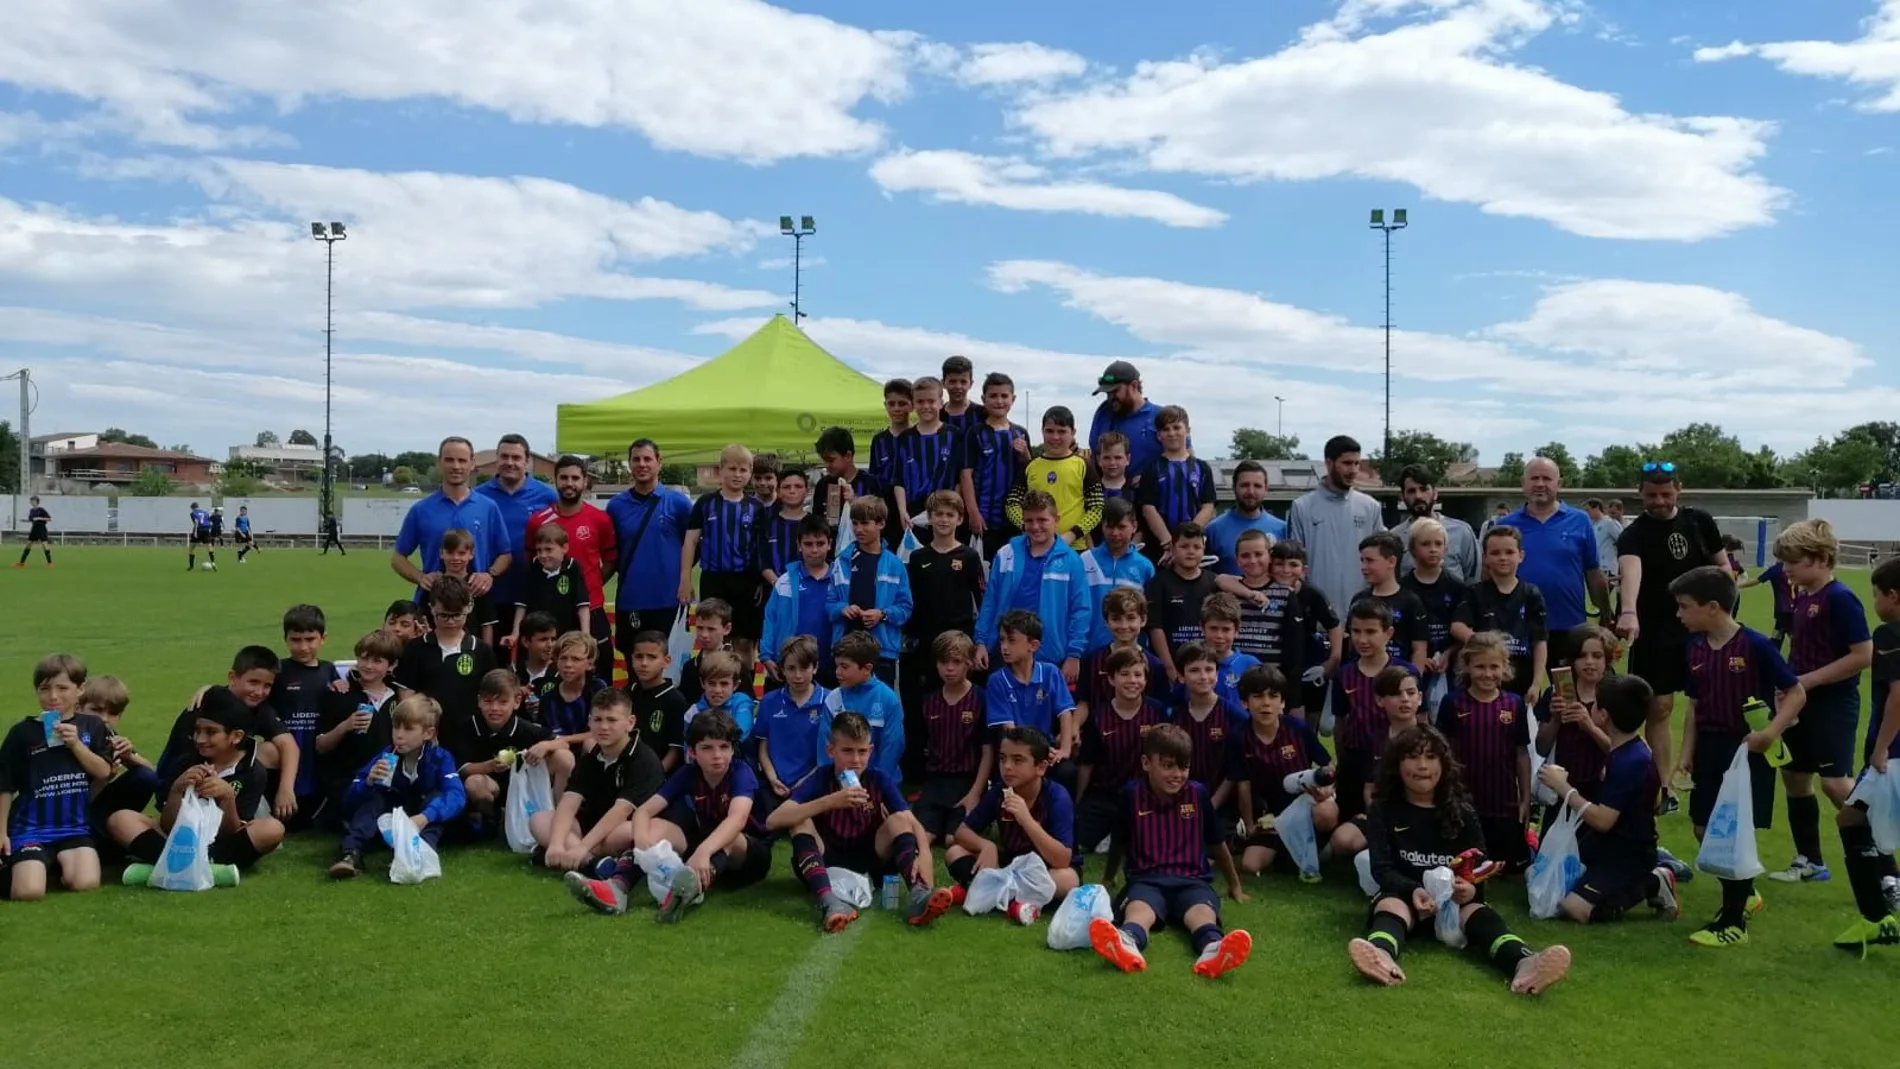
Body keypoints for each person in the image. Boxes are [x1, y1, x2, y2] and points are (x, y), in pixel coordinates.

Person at [1346, 724, 1571, 995]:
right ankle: (1381, 956)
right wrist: (1414, 889)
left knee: (1478, 913)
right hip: (1408, 896)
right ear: (1396, 764)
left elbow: (1480, 864)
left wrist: (1470, 888)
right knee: (1390, 903)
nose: (1422, 766)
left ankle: (1524, 962)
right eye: (1413, 757)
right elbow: (1382, 869)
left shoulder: (1462, 811)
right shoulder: (1383, 809)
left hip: (1453, 902)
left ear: (1444, 765)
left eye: (1430, 757)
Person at [1670, 565, 1803, 946]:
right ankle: (1744, 891)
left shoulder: (1757, 645)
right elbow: (1694, 705)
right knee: (1702, 827)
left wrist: (1769, 733)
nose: (1679, 614)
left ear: (1712, 607)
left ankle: (1732, 924)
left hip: (1745, 751)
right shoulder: (1694, 647)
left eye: (1684, 606)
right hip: (1710, 748)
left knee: (1732, 829)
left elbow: (1796, 693)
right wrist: (1686, 754)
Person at [570, 709, 773, 919]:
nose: (717, 755)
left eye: (724, 747)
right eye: (707, 748)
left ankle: (686, 893)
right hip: (701, 853)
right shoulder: (689, 772)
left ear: (732, 750)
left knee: (731, 838)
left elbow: (737, 820)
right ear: (693, 752)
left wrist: (703, 851)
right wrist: (641, 841)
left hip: (748, 858)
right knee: (655, 826)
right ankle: (616, 888)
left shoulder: (741, 773)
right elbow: (644, 811)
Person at [1087, 723, 1252, 979]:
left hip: (1192, 880)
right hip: (1147, 879)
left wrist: (1235, 885)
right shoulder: (1132, 795)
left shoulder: (1197, 795)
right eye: (1167, 766)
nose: (1177, 774)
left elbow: (1217, 842)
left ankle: (1214, 949)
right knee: (1140, 910)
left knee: (1201, 912)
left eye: (1183, 767)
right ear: (1146, 763)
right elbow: (1119, 841)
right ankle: (1127, 942)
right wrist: (1109, 877)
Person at [767, 711, 952, 931]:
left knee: (899, 820)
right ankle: (829, 903)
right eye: (847, 751)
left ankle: (919, 895)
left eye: (862, 752)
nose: (855, 760)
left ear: (870, 751)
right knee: (799, 821)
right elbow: (773, 820)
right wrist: (830, 801)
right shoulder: (821, 778)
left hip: (868, 859)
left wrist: (924, 855)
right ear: (831, 751)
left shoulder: (877, 778)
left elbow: (912, 822)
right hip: (826, 860)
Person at [1614, 462, 1727, 811]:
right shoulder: (1633, 534)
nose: (1659, 501)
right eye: (1651, 495)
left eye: (1665, 494)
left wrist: (1720, 603)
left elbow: (1724, 567)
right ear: (1640, 494)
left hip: (1701, 628)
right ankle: (1665, 785)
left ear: (1679, 488)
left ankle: (1708, 775)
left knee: (1707, 703)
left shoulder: (1699, 521)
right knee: (1659, 706)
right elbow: (1631, 573)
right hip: (1656, 630)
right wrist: (1629, 611)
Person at [1768, 519, 1872, 885]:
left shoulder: (1840, 597)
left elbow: (1863, 654)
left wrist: (1807, 681)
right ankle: (1810, 861)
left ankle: (1885, 865)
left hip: (1832, 704)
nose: (1786, 569)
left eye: (1792, 562)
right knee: (1795, 776)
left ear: (1819, 558)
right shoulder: (1804, 596)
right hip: (1801, 702)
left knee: (1835, 784)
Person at [110, 688, 286, 889]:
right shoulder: (186, 762)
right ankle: (208, 870)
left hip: (220, 843)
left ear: (236, 736)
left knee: (273, 829)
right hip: (179, 840)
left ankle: (171, 867)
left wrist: (227, 798)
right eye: (197, 731)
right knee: (120, 819)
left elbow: (231, 833)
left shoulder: (253, 771)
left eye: (211, 732)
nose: (200, 739)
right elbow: (168, 825)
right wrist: (177, 790)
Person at [2, 653, 113, 899]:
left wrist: (75, 745)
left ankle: (46, 866)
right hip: (30, 828)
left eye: (62, 688)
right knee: (28, 892)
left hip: (73, 827)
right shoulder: (22, 733)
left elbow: (103, 772)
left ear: (80, 689)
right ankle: (30, 865)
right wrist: (0, 832)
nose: (53, 696)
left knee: (86, 882)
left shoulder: (92, 726)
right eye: (44, 689)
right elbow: (5, 785)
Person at [1832, 555, 1900, 950]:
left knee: (1850, 820)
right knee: (1852, 817)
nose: (1874, 601)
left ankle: (1876, 918)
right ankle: (1877, 916)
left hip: (1892, 753)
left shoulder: (1890, 634)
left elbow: (1897, 694)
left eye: (1876, 594)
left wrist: (1881, 747)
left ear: (1892, 596)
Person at [327, 695, 466, 879]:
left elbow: (457, 795)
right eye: (395, 727)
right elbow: (348, 804)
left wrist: (425, 817)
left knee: (435, 799)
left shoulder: (441, 758)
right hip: (389, 825)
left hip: (422, 822)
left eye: (408, 729)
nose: (398, 735)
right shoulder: (385, 756)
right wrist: (368, 782)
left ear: (428, 733)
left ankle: (415, 855)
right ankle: (351, 853)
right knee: (377, 798)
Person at [947, 726, 1082, 910]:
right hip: (1011, 867)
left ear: (1041, 767)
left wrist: (1026, 820)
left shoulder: (1057, 797)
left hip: (1046, 869)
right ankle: (1015, 902)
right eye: (1003, 759)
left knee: (1067, 879)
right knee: (954, 852)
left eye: (1018, 760)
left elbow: (1062, 860)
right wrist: (986, 845)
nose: (1007, 767)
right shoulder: (999, 791)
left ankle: (989, 894)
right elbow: (962, 832)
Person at [532, 689, 663, 872]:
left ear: (630, 723)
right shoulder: (591, 757)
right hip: (589, 826)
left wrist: (582, 846)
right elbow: (569, 802)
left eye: (612, 720)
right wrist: (555, 843)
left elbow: (621, 811)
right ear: (589, 721)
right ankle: (592, 863)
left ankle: (578, 856)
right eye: (598, 720)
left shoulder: (644, 759)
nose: (603, 727)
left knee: (625, 832)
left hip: (620, 828)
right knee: (539, 820)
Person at [1437, 633, 1533, 873]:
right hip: (1465, 798)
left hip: (1504, 800)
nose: (1487, 673)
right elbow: (1441, 751)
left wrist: (1525, 798)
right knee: (1466, 863)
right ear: (1467, 666)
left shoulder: (1514, 704)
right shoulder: (1453, 702)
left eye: (1494, 667)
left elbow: (1522, 752)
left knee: (1510, 868)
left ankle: (1529, 844)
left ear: (1504, 667)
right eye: (1480, 666)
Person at [903, 492, 985, 772]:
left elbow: (982, 600)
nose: (943, 520)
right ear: (929, 518)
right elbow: (909, 602)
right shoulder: (917, 558)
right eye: (938, 514)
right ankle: (922, 764)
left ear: (960, 519)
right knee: (925, 704)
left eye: (950, 515)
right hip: (926, 644)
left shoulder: (970, 556)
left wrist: (978, 642)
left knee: (960, 702)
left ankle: (962, 762)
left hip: (960, 643)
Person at [1494, 457, 1609, 656]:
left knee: (1567, 687)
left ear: (1559, 484)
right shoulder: (1506, 525)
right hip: (1518, 628)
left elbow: (1593, 573)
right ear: (1523, 484)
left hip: (1568, 627)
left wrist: (1606, 615)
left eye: (1546, 478)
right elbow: (1490, 574)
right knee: (1520, 687)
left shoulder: (1580, 520)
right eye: (1534, 478)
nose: (1540, 484)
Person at [1229, 665, 1335, 878]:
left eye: (1273, 696)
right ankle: (1291, 851)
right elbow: (1243, 785)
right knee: (1250, 865)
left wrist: (1328, 789)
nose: (1266, 703)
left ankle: (1314, 846)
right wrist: (1250, 826)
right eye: (1257, 696)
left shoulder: (1297, 729)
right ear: (1245, 703)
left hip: (1303, 808)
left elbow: (1328, 764)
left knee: (1327, 813)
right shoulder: (1238, 736)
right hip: (1268, 817)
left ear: (1283, 702)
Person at [974, 490, 1090, 686]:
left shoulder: (1072, 561)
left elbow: (1080, 610)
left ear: (1056, 520)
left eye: (1042, 520)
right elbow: (990, 602)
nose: (1035, 527)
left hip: (1050, 656)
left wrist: (1074, 654)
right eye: (1029, 521)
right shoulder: (1006, 554)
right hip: (1004, 651)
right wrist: (980, 642)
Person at [525, 455, 618, 680]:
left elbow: (611, 559)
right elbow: (531, 561)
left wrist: (588, 586)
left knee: (598, 669)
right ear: (555, 480)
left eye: (575, 478)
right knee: (554, 674)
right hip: (552, 611)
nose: (569, 483)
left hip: (591, 608)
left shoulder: (600, 519)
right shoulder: (539, 521)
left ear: (585, 481)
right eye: (564, 477)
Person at [1075, 646, 1169, 863]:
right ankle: (1111, 832)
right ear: (1111, 679)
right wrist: (1078, 803)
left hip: (1143, 795)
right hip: (1104, 795)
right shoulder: (1099, 716)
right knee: (1079, 842)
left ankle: (1121, 836)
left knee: (1148, 842)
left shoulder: (1157, 712)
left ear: (1146, 680)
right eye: (1124, 674)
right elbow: (1087, 763)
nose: (1132, 681)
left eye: (1138, 675)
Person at [606, 438, 694, 669]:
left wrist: (681, 578)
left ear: (659, 463)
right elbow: (611, 552)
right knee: (637, 667)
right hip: (632, 600)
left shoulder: (679, 503)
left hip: (670, 599)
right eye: (636, 459)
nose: (642, 464)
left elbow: (694, 545)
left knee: (671, 668)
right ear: (630, 464)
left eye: (647, 459)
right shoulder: (616, 506)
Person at [392, 436, 513, 601]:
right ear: (439, 463)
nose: (456, 466)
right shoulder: (421, 510)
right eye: (449, 460)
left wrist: (489, 575)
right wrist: (421, 578)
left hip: (476, 603)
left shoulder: (488, 507)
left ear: (472, 464)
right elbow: (398, 558)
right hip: (433, 602)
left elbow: (505, 555)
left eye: (462, 460)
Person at [682, 443, 768, 667]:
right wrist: (685, 579)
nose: (737, 475)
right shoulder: (705, 503)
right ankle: (714, 688)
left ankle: (745, 692)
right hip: (714, 580)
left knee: (744, 642)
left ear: (750, 473)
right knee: (714, 639)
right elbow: (690, 542)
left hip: (746, 582)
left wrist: (760, 582)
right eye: (732, 469)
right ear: (721, 470)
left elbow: (761, 549)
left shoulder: (756, 508)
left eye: (743, 470)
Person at [393, 576, 500, 753]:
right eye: (443, 615)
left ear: (469, 608)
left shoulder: (480, 650)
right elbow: (407, 693)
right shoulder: (416, 648)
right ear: (431, 609)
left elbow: (490, 693)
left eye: (457, 615)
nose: (450, 621)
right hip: (427, 737)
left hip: (469, 737)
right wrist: (420, 728)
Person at [1286, 436, 1385, 624]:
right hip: (1316, 618)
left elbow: (1379, 564)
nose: (1353, 470)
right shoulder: (1302, 507)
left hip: (1361, 619)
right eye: (1347, 463)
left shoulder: (1370, 507)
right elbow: (1295, 565)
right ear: (1329, 463)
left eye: (1357, 464)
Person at [448, 670, 555, 838]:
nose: (494, 708)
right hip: (487, 789)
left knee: (563, 758)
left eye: (503, 702)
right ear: (479, 701)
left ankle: (553, 815)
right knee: (474, 783)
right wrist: (491, 765)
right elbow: (461, 769)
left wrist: (546, 745)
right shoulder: (467, 726)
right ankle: (491, 822)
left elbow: (562, 743)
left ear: (517, 701)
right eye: (488, 701)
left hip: (521, 790)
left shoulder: (525, 728)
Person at [985, 610, 1080, 797]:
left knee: (1067, 771)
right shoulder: (997, 680)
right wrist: (1039, 751)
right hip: (1015, 752)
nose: (1004, 647)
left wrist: (1065, 750)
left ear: (1033, 645)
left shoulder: (1051, 672)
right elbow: (1009, 728)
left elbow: (1065, 713)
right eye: (1002, 640)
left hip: (1047, 751)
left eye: (1012, 641)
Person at [315, 630, 401, 829]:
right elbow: (320, 746)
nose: (368, 666)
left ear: (392, 665)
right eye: (363, 659)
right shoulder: (339, 694)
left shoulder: (398, 696)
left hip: (389, 777)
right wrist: (345, 726)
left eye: (377, 661)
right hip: (349, 779)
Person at [1452, 526, 1549, 701]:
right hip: (1484, 677)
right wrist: (1486, 647)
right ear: (1485, 558)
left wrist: (1536, 683)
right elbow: (1457, 626)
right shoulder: (1475, 592)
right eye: (1495, 553)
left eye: (1509, 552)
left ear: (1521, 556)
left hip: (1521, 678)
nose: (1503, 558)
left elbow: (1539, 641)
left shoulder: (1531, 594)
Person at [913, 632, 990, 846]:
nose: (949, 668)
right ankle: (934, 820)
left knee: (953, 839)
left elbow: (987, 751)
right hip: (936, 781)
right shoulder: (928, 701)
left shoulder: (980, 698)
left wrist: (975, 793)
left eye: (956, 662)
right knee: (921, 838)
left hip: (967, 781)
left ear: (968, 663)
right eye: (943, 662)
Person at [1332, 600, 1407, 820]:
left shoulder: (1404, 673)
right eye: (1356, 631)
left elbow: (1419, 722)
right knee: (1349, 828)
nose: (1362, 639)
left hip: (1393, 759)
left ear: (1388, 633)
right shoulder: (1344, 675)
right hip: (1355, 761)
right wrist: (1343, 759)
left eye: (1371, 632)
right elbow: (1340, 722)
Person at [827, 497, 912, 687]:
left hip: (881, 652)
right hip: (846, 649)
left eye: (865, 523)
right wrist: (843, 609)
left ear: (881, 523)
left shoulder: (895, 564)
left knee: (878, 711)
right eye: (855, 523)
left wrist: (882, 614)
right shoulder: (842, 561)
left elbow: (905, 608)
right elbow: (829, 603)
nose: (858, 529)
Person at [1533, 626, 1615, 822]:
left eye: (1597, 656)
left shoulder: (1616, 694)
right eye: (1582, 656)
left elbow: (1621, 748)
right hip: (1562, 787)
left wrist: (1590, 727)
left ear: (1607, 660)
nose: (1589, 662)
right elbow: (1541, 747)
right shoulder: (1557, 691)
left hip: (1601, 788)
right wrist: (1554, 719)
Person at [473, 433, 558, 614]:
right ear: (497, 459)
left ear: (527, 462)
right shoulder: (478, 496)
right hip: (488, 591)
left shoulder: (547, 496)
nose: (510, 462)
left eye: (516, 457)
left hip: (534, 592)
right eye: (504, 456)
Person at [268, 603, 332, 827]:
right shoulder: (277, 670)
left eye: (310, 639)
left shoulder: (329, 670)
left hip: (316, 748)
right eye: (296, 640)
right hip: (286, 746)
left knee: (309, 816)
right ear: (285, 638)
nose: (303, 647)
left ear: (323, 638)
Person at [1008, 405, 1103, 550]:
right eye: (1050, 431)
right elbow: (1011, 504)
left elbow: (1097, 508)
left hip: (1074, 547)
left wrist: (1072, 534)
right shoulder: (1030, 466)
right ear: (1042, 431)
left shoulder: (1084, 466)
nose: (1055, 437)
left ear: (1073, 433)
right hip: (1035, 546)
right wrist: (1028, 526)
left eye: (1062, 431)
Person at [959, 371, 1030, 559]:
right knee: (984, 570)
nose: (999, 401)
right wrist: (973, 513)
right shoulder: (975, 433)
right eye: (993, 396)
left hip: (1014, 517)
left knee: (1011, 568)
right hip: (984, 516)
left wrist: (1025, 455)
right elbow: (966, 475)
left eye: (1004, 396)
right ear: (984, 399)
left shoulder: (1020, 433)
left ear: (1013, 399)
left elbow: (1029, 473)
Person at [755, 635, 829, 817]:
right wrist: (772, 778)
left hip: (814, 781)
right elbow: (762, 745)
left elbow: (830, 752)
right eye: (791, 668)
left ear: (815, 667)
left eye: (804, 668)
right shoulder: (769, 701)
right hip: (774, 782)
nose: (798, 675)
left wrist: (806, 782)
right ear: (782, 669)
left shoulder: (830, 701)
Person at [1134, 406, 1216, 566]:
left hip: (1192, 547)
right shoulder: (1152, 468)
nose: (1172, 433)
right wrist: (1169, 543)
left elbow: (1208, 506)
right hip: (1159, 547)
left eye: (1176, 427)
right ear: (1159, 435)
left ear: (1188, 430)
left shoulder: (1202, 467)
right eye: (1166, 429)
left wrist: (1186, 540)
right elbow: (1147, 508)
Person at [821, 632, 906, 784]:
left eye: (844, 667)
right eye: (837, 666)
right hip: (840, 783)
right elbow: (825, 747)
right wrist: (839, 784)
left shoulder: (887, 698)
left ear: (867, 668)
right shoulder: (833, 699)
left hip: (879, 781)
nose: (837, 672)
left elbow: (892, 748)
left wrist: (877, 787)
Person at [762, 515, 839, 682]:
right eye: (808, 544)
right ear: (799, 545)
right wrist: (766, 655)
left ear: (830, 544)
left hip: (831, 664)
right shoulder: (785, 581)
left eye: (820, 544)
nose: (814, 550)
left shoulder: (841, 579)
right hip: (793, 666)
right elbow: (771, 619)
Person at [1401, 518, 1466, 708]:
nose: (1433, 549)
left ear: (1446, 548)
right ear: (1412, 549)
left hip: (1450, 665)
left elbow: (1462, 628)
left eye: (1438, 544)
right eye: (1425, 544)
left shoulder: (1457, 587)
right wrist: (1420, 658)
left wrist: (1448, 653)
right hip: (1413, 665)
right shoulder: (1403, 589)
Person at [1145, 521, 1219, 683]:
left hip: (1206, 669)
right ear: (1172, 548)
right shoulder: (1159, 583)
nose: (1191, 552)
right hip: (1171, 666)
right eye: (1184, 546)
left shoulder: (1214, 582)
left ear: (1203, 550)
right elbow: (1155, 628)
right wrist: (1170, 669)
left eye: (1196, 547)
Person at [1169, 644, 1238, 810]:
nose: (1203, 676)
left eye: (1209, 669)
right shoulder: (1174, 717)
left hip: (1223, 805)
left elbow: (1234, 772)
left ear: (1217, 673)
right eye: (1194, 670)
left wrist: (1210, 807)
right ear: (1181, 675)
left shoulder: (1234, 716)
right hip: (1181, 802)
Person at [1081, 498, 1155, 653]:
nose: (1115, 533)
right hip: (1090, 651)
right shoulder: (1085, 560)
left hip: (1131, 654)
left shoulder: (1145, 566)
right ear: (1102, 527)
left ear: (1134, 526)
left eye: (1121, 527)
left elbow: (1150, 615)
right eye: (1109, 527)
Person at [897, 376, 962, 544]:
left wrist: (955, 508)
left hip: (945, 513)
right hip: (913, 516)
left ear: (941, 402)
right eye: (920, 401)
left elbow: (959, 477)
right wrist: (902, 510)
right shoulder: (905, 438)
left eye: (931, 401)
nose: (926, 406)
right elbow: (899, 480)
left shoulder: (954, 435)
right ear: (913, 404)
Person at [1355, 531, 1429, 671]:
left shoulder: (1411, 602)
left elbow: (1419, 649)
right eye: (1362, 560)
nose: (1364, 567)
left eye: (1370, 560)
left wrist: (1413, 682)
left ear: (1391, 562)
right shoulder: (1359, 599)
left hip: (1397, 680)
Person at [1390, 466, 1477, 582]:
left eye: (1423, 489)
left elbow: (1472, 577)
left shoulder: (1461, 532)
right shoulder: (1395, 537)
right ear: (1402, 497)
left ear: (1435, 493)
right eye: (1411, 491)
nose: (1418, 496)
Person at [512, 524, 590, 653]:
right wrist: (515, 633)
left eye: (548, 549)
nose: (543, 555)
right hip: (537, 637)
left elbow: (582, 605)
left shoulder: (573, 568)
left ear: (564, 548)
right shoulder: (531, 568)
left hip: (565, 634)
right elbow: (521, 605)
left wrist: (585, 634)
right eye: (539, 550)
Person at [1087, 360, 1170, 478]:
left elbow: (1183, 457)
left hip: (1150, 494)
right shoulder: (1103, 412)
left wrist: (1150, 478)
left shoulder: (1160, 416)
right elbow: (1095, 456)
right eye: (1107, 393)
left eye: (1115, 391)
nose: (1110, 397)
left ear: (1134, 386)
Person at [1204, 461, 1285, 577]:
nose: (1251, 492)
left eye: (1257, 486)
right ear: (1234, 488)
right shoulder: (1213, 530)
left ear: (1266, 489)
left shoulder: (1282, 529)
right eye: (1244, 485)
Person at [626, 631, 690, 771]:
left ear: (666, 661)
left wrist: (654, 777)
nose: (644, 663)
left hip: (655, 774)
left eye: (651, 657)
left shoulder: (675, 700)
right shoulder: (626, 694)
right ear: (632, 659)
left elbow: (675, 750)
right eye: (639, 657)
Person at [813, 426, 884, 538]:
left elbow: (881, 521)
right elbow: (816, 523)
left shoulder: (871, 483)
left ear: (848, 455)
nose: (826, 465)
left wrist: (854, 502)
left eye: (831, 460)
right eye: (824, 460)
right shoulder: (823, 485)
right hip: (831, 552)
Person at [436, 529, 501, 645]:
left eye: (461, 553)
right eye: (450, 553)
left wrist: (486, 655)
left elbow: (487, 624)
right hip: (439, 648)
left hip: (471, 649)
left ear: (471, 554)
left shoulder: (478, 585)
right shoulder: (434, 584)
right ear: (441, 553)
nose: (456, 558)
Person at [870, 378, 914, 547]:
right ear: (885, 405)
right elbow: (874, 478)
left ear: (911, 405)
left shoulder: (917, 438)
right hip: (885, 516)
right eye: (892, 403)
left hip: (912, 513)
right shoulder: (879, 440)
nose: (896, 409)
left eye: (902, 403)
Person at [1198, 594, 1263, 709]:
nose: (1219, 636)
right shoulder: (1193, 663)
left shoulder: (1250, 665)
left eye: (1226, 629)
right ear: (1202, 628)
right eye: (1213, 628)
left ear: (1237, 630)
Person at [759, 468, 814, 589]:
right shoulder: (767, 524)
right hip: (774, 590)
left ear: (807, 491)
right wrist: (778, 584)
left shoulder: (815, 524)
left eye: (798, 486)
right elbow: (761, 560)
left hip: (808, 589)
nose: (792, 491)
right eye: (786, 487)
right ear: (778, 491)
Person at [687, 650, 755, 741]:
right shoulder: (693, 712)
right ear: (702, 683)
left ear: (735, 685)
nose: (717, 690)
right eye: (711, 683)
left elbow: (740, 733)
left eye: (724, 684)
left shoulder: (742, 703)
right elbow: (689, 750)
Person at [1584, 499, 1623, 587]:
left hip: (1608, 569)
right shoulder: (1593, 525)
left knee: (1602, 597)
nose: (1587, 513)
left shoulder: (1609, 523)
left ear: (1597, 508)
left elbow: (1622, 541)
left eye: (1588, 510)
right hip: (1598, 568)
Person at [939, 354, 980, 437]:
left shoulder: (982, 413)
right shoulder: (938, 415)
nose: (958, 386)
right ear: (943, 383)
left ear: (971, 384)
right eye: (952, 381)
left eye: (963, 382)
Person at [1095, 432, 1133, 510]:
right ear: (1099, 460)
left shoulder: (1136, 491)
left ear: (1128, 459)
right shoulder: (1090, 490)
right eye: (1106, 458)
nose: (1112, 463)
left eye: (1118, 457)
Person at [18, 495, 52, 567]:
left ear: (37, 502)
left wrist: (40, 518)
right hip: (34, 529)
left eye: (33, 501)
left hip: (41, 529)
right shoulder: (31, 511)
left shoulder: (41, 510)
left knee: (44, 545)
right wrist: (25, 520)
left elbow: (49, 519)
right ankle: (21, 563)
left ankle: (50, 563)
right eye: (31, 501)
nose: (32, 502)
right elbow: (31, 519)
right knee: (28, 544)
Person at [188, 501, 216, 571]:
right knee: (209, 547)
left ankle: (191, 566)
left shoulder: (193, 513)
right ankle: (213, 562)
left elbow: (196, 522)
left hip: (198, 530)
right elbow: (210, 523)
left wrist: (195, 532)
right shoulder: (206, 513)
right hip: (206, 530)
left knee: (191, 549)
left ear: (193, 508)